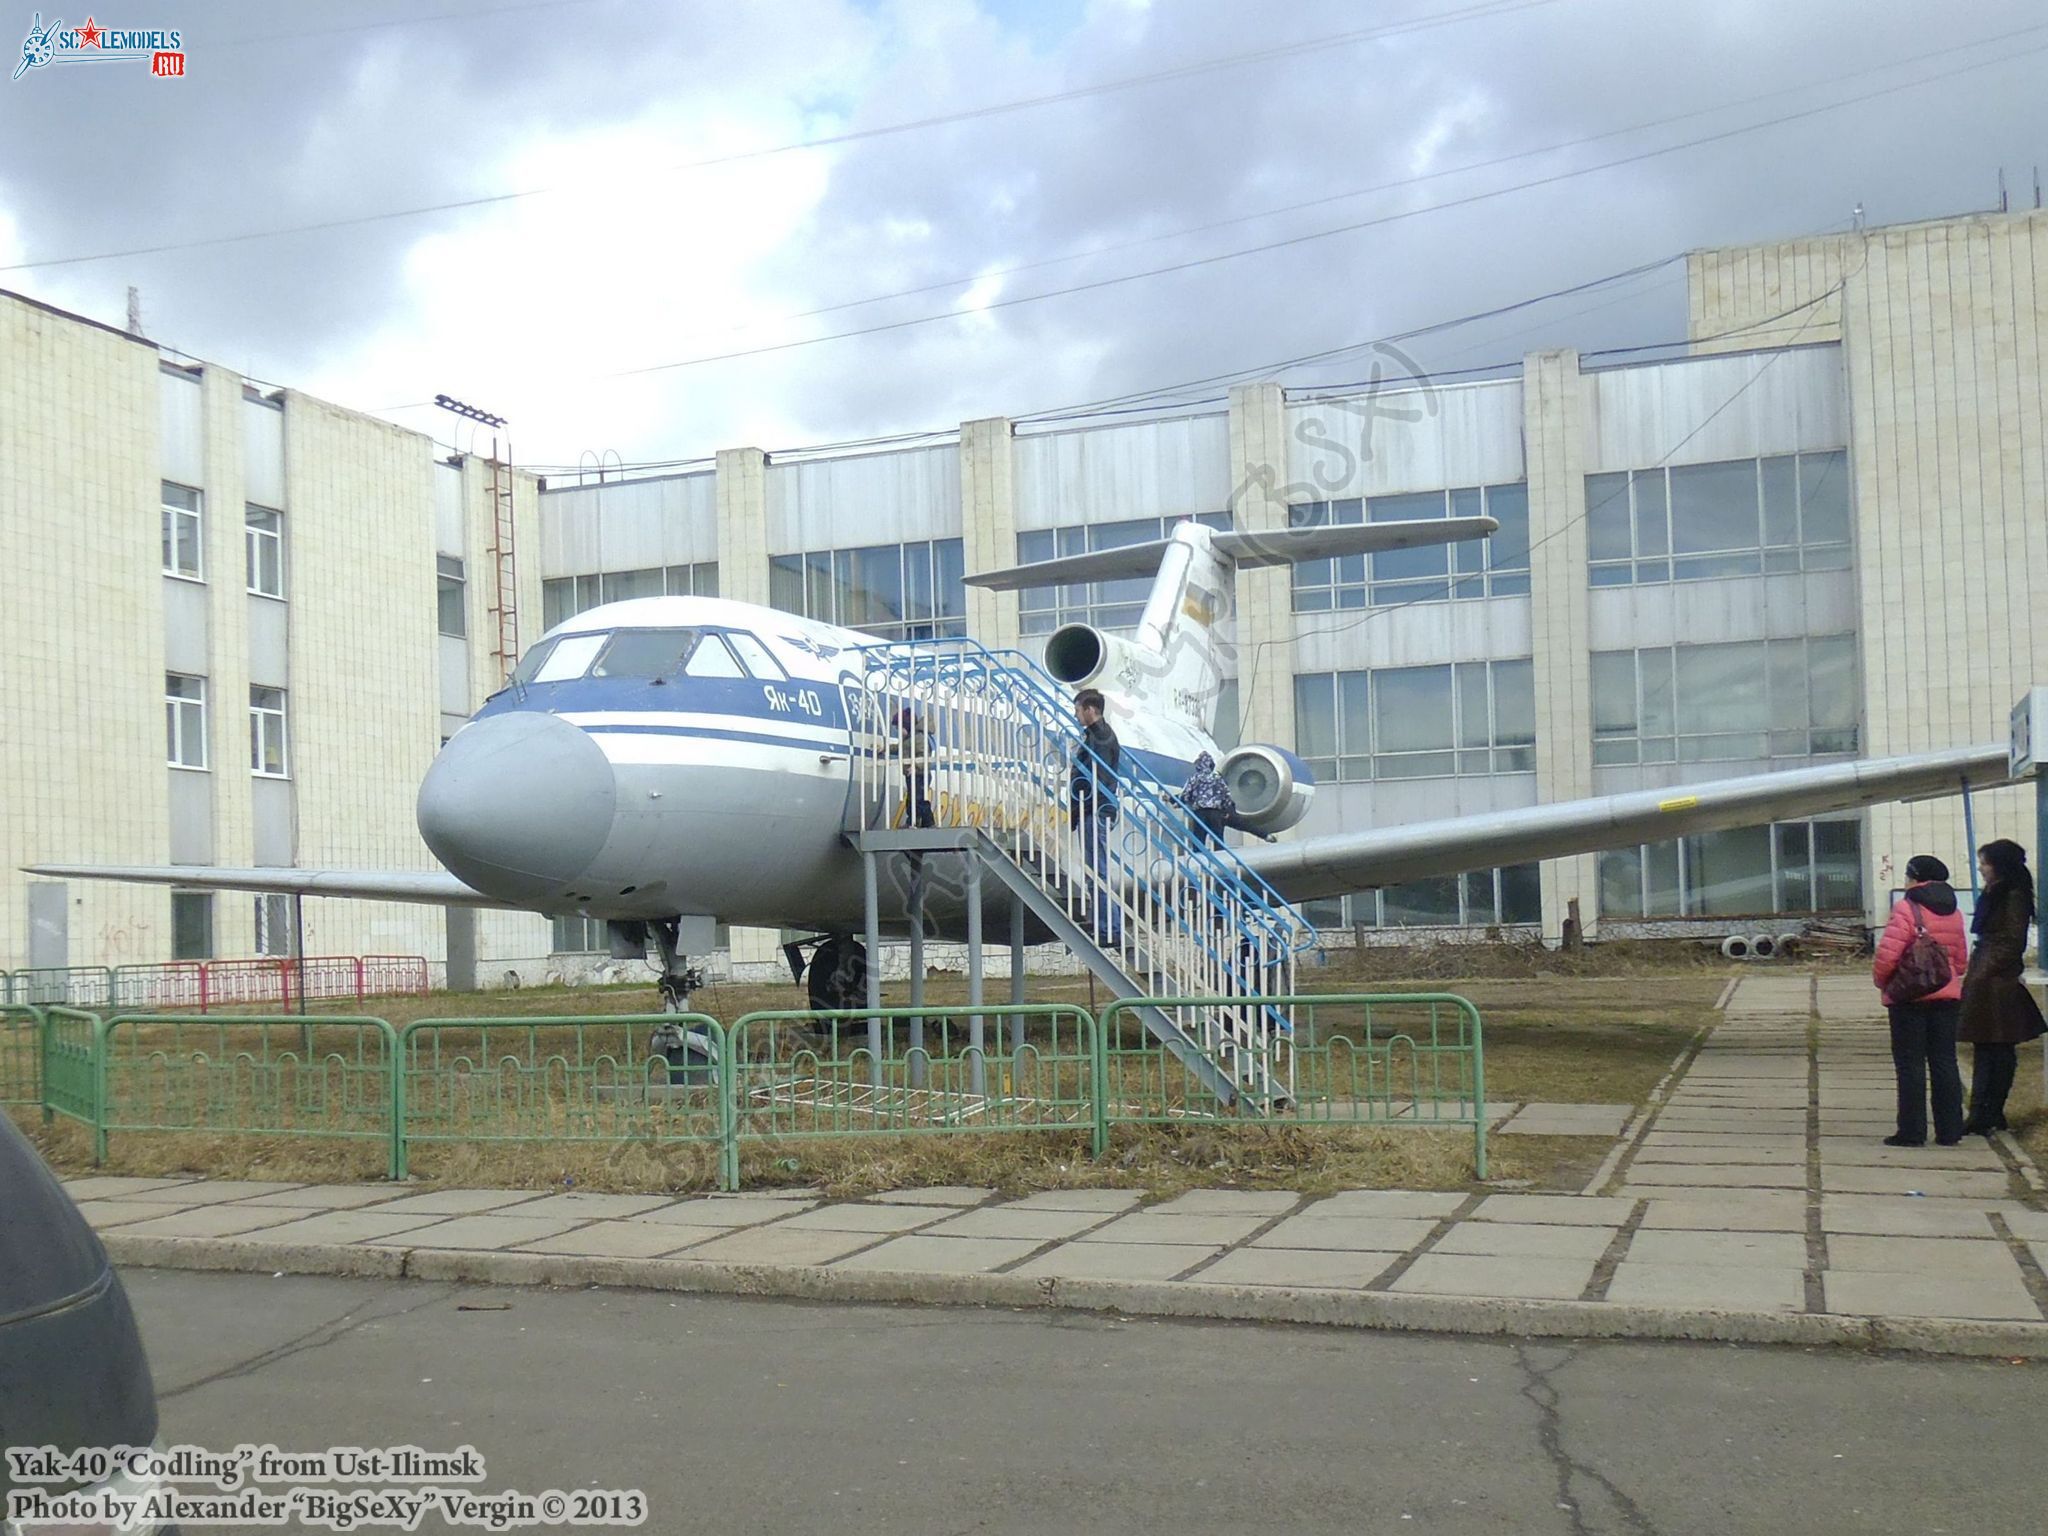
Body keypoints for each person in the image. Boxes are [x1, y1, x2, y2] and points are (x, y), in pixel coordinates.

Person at [1870, 854, 1968, 1146]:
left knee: (1910, 1064)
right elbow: (1961, 960)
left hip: (1909, 998)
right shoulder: (1954, 910)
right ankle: (1950, 1131)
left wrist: (1882, 983)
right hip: (1947, 996)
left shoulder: (1906, 908)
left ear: (1914, 877)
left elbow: (1888, 956)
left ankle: (1912, 1131)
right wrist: (1948, 977)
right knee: (1945, 1061)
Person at [1958, 838, 2046, 1136]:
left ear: (1999, 864)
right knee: (1986, 1050)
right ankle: (1982, 1110)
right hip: (1989, 979)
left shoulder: (2012, 896)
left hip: (1997, 984)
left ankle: (1989, 1111)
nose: (1980, 868)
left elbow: (2011, 942)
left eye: (1984, 862)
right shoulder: (1996, 893)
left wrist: (1981, 973)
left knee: (1997, 1050)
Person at [1069, 688, 1121, 944]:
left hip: (1095, 809)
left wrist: (1079, 808)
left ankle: (1107, 926)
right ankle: (1107, 923)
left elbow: (1094, 779)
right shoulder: (1096, 736)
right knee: (1095, 869)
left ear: (1090, 710)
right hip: (1095, 809)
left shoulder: (1100, 739)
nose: (1076, 715)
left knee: (1096, 870)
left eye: (1078, 709)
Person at [1179, 751, 1235, 848]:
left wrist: (1180, 802)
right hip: (1216, 813)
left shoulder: (1194, 778)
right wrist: (1227, 810)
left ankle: (1199, 859)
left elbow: (1186, 794)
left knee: (1199, 839)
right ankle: (1220, 858)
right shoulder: (1217, 778)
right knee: (1218, 838)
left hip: (1200, 812)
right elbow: (1226, 794)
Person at [894, 706, 934, 829]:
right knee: (911, 800)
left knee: (920, 800)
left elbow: (924, 755)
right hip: (911, 774)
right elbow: (899, 748)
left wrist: (916, 767)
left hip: (920, 774)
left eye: (899, 728)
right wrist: (886, 749)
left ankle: (929, 823)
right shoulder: (908, 740)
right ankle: (911, 821)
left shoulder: (918, 738)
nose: (898, 731)